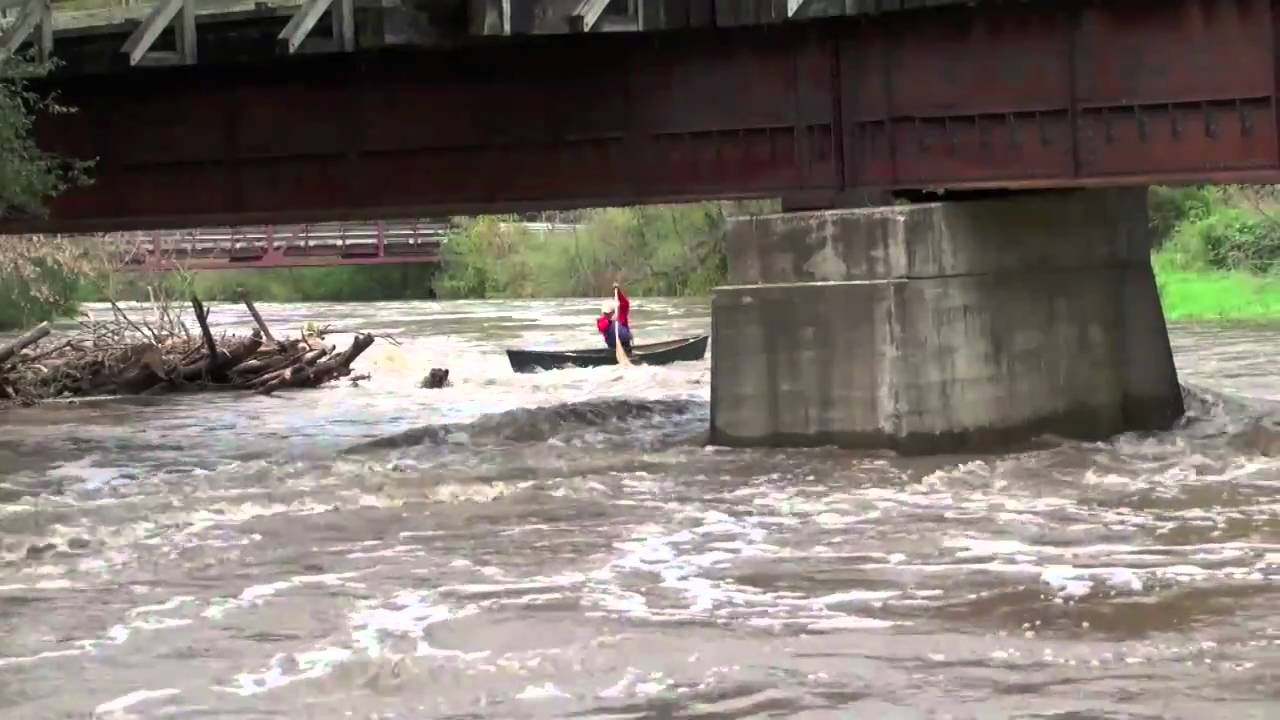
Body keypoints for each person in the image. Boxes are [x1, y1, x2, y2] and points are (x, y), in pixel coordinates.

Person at [596, 282, 632, 353]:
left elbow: (625, 303)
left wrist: (618, 292)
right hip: (613, 347)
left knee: (626, 344)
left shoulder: (621, 315)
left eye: (608, 312)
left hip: (625, 344)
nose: (606, 314)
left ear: (612, 311)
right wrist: (608, 321)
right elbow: (602, 327)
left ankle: (628, 353)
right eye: (605, 313)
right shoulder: (602, 321)